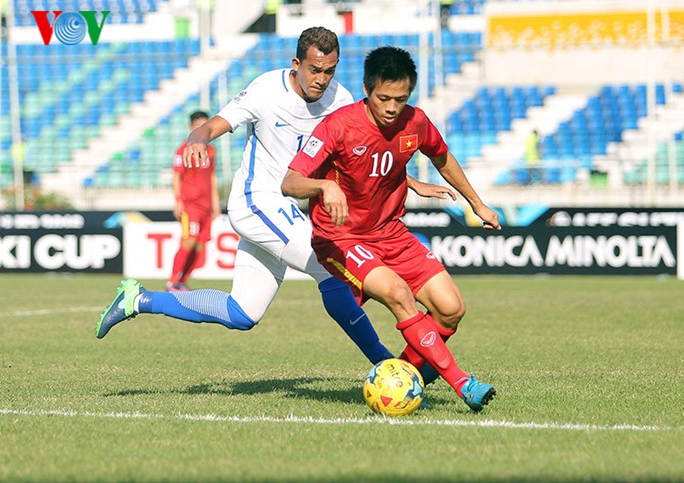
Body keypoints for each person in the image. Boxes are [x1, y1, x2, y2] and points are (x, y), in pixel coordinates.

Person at [96, 28, 450, 371]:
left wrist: (411, 180)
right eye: (314, 70)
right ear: (297, 64)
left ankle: (139, 299)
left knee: (242, 313)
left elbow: (359, 153)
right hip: (257, 202)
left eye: (329, 71)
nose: (322, 79)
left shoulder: (340, 99)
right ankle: (388, 364)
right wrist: (197, 139)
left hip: (287, 209)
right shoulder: (266, 90)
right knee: (333, 271)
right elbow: (212, 126)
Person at [281, 46, 502, 412]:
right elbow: (290, 182)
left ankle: (405, 381)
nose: (391, 107)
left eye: (400, 99)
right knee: (399, 294)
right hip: (340, 237)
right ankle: (463, 383)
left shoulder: (415, 122)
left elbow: (441, 156)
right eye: (383, 98)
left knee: (451, 308)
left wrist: (475, 203)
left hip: (391, 232)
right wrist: (324, 186)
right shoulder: (338, 126)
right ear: (367, 89)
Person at [167, 110, 219, 292]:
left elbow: (211, 178)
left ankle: (182, 281)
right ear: (191, 128)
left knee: (199, 246)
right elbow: (177, 177)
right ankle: (172, 281)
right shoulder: (183, 151)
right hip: (191, 205)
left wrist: (215, 204)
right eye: (197, 126)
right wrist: (178, 201)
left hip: (206, 207)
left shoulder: (211, 152)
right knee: (189, 240)